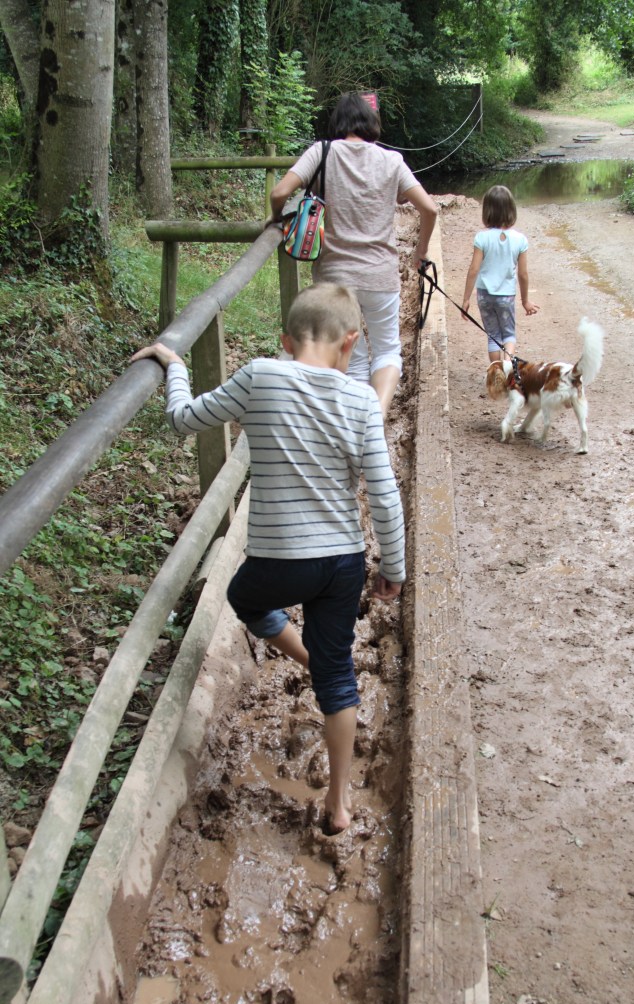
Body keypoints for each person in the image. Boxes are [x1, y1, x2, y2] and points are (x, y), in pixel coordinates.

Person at [130, 284, 405, 836]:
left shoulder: (261, 375)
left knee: (241, 595)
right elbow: (384, 492)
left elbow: (183, 419)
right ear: (352, 343)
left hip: (279, 561)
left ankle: (308, 661)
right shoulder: (359, 401)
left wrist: (175, 363)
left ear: (286, 340)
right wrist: (392, 570)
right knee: (338, 679)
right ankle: (339, 802)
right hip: (342, 562)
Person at [269, 92, 438, 418]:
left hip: (335, 279)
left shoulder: (321, 152)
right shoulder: (391, 160)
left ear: (338, 122)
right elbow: (429, 208)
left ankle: (354, 422)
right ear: (371, 123)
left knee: (354, 355)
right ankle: (374, 420)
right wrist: (421, 253)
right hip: (380, 275)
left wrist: (277, 219)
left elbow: (279, 193)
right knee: (388, 349)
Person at [461, 185, 540, 365]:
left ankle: (496, 374)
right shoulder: (520, 240)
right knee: (509, 335)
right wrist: (525, 300)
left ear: (487, 211)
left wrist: (466, 299)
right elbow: (523, 274)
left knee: (493, 336)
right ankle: (508, 373)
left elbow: (473, 269)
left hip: (484, 295)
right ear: (511, 210)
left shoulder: (482, 238)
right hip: (506, 296)